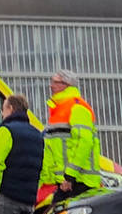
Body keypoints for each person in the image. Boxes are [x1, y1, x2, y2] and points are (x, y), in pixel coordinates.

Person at [41, 67, 101, 203]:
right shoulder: (58, 109)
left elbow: (83, 143)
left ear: (66, 85)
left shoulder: (77, 108)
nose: (51, 86)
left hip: (78, 182)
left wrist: (70, 176)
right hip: (67, 182)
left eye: (55, 82)